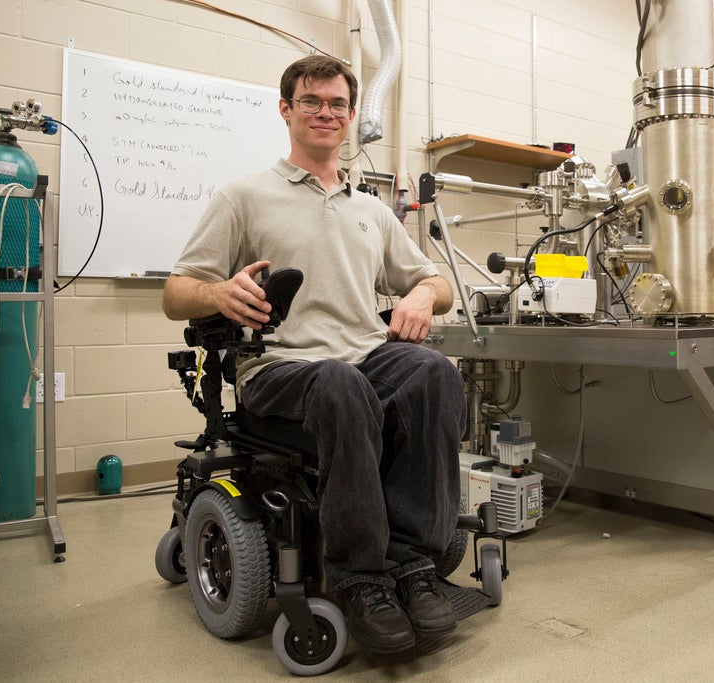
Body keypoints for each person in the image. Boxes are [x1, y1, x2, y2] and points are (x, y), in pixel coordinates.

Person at [162, 55, 466, 655]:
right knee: (339, 384)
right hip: (277, 367)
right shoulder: (243, 197)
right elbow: (176, 292)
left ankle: (411, 563)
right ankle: (359, 576)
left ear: (352, 116)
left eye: (337, 104)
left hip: (361, 356)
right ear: (286, 109)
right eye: (311, 102)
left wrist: (423, 297)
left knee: (433, 372)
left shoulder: (371, 211)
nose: (326, 113)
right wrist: (219, 292)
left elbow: (439, 282)